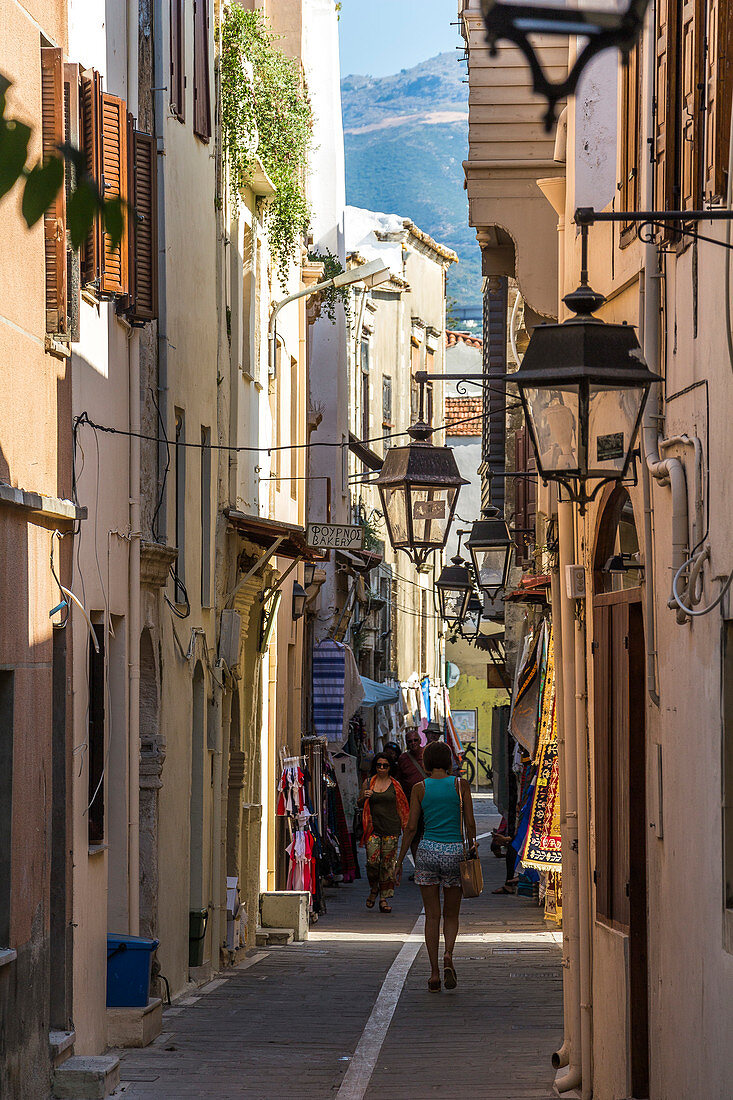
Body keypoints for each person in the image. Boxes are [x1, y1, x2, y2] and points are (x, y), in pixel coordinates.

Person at [396, 740, 477, 992]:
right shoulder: (460, 785)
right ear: (449, 761)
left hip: (428, 851)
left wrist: (399, 861)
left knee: (432, 915)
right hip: (455, 852)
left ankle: (433, 973)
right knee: (451, 914)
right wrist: (472, 846)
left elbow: (411, 827)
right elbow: (471, 823)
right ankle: (448, 955)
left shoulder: (419, 788)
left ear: (427, 763)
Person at [358, 752, 409, 913]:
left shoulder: (395, 785)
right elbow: (359, 804)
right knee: (372, 863)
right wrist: (363, 798)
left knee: (387, 865)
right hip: (372, 829)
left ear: (390, 767)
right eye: (379, 765)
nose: (381, 768)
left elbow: (403, 807)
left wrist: (406, 828)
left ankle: (383, 898)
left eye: (385, 765)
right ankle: (374, 888)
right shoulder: (368, 783)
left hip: (391, 829)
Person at [398, 731, 427, 870]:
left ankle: (429, 866)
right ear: (406, 743)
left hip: (429, 802)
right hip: (412, 802)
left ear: (420, 739)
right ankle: (419, 867)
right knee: (414, 835)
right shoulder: (403, 759)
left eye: (415, 740)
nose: (413, 743)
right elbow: (401, 780)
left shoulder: (427, 754)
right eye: (410, 741)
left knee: (428, 834)